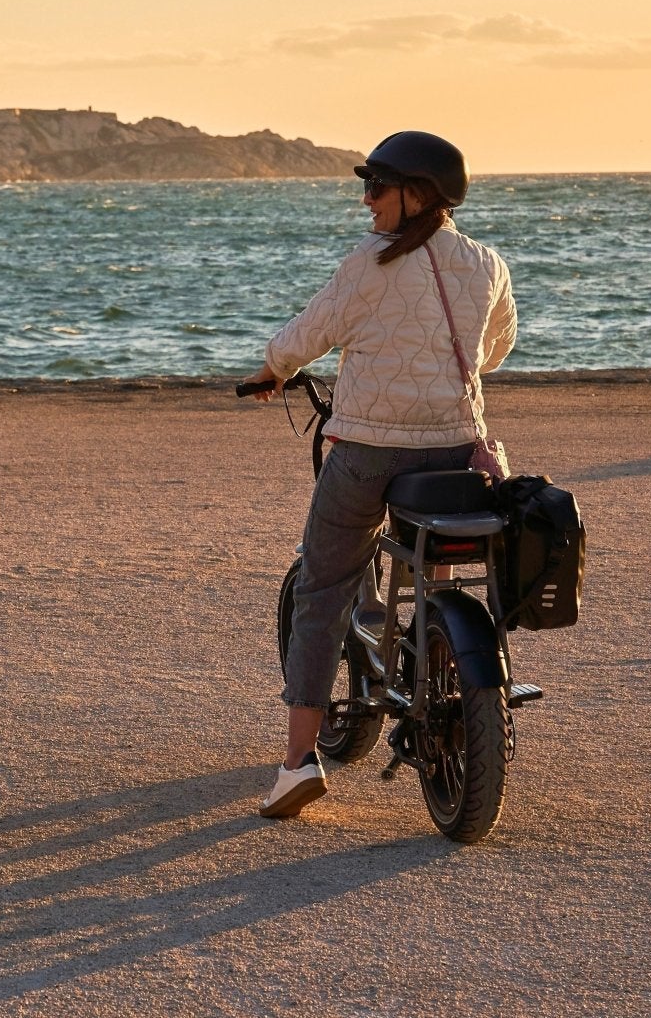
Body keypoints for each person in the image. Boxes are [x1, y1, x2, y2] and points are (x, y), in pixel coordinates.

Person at [240, 130, 516, 819]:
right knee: (431, 554)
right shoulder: (486, 263)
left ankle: (298, 764)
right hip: (456, 450)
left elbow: (308, 334)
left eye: (376, 187)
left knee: (322, 583)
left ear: (416, 194)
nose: (365, 201)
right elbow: (495, 348)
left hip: (367, 451)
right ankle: (434, 650)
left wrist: (270, 371)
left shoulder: (368, 263)